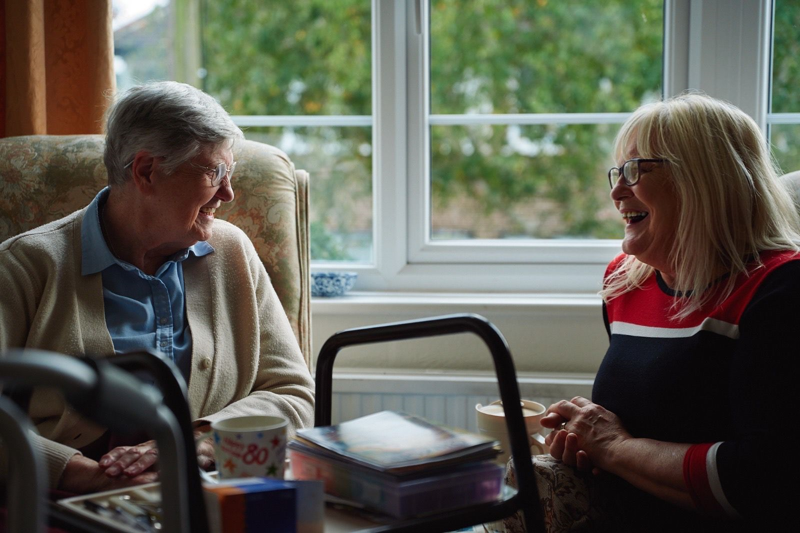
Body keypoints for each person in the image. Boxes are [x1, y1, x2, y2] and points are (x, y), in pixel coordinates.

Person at [0, 81, 315, 494]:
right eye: (214, 173)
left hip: (210, 491)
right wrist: (83, 475)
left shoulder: (233, 254)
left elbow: (293, 394)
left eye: (230, 172)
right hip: (62, 502)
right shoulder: (25, 267)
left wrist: (198, 440)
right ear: (146, 171)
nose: (228, 193)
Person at [506, 93, 800, 532]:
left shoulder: (780, 289)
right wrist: (587, 440)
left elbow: (763, 479)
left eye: (635, 170)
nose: (616, 192)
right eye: (617, 172)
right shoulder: (624, 282)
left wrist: (615, 448)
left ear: (702, 179)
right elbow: (654, 417)